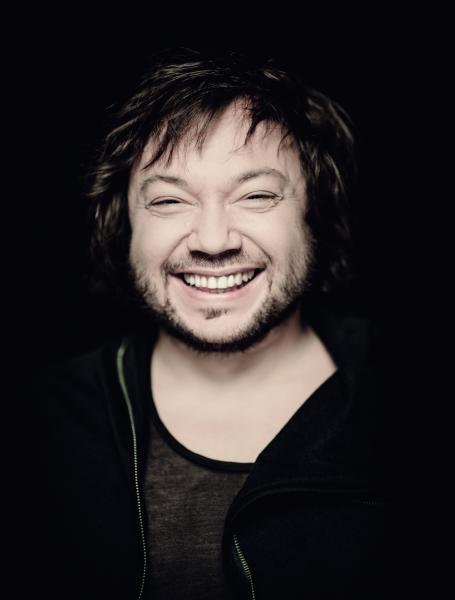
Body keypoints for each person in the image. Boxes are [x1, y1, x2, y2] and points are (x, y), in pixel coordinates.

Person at [26, 47, 391, 600]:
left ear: (315, 213)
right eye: (169, 200)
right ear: (124, 224)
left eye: (257, 195)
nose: (213, 240)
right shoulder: (37, 426)